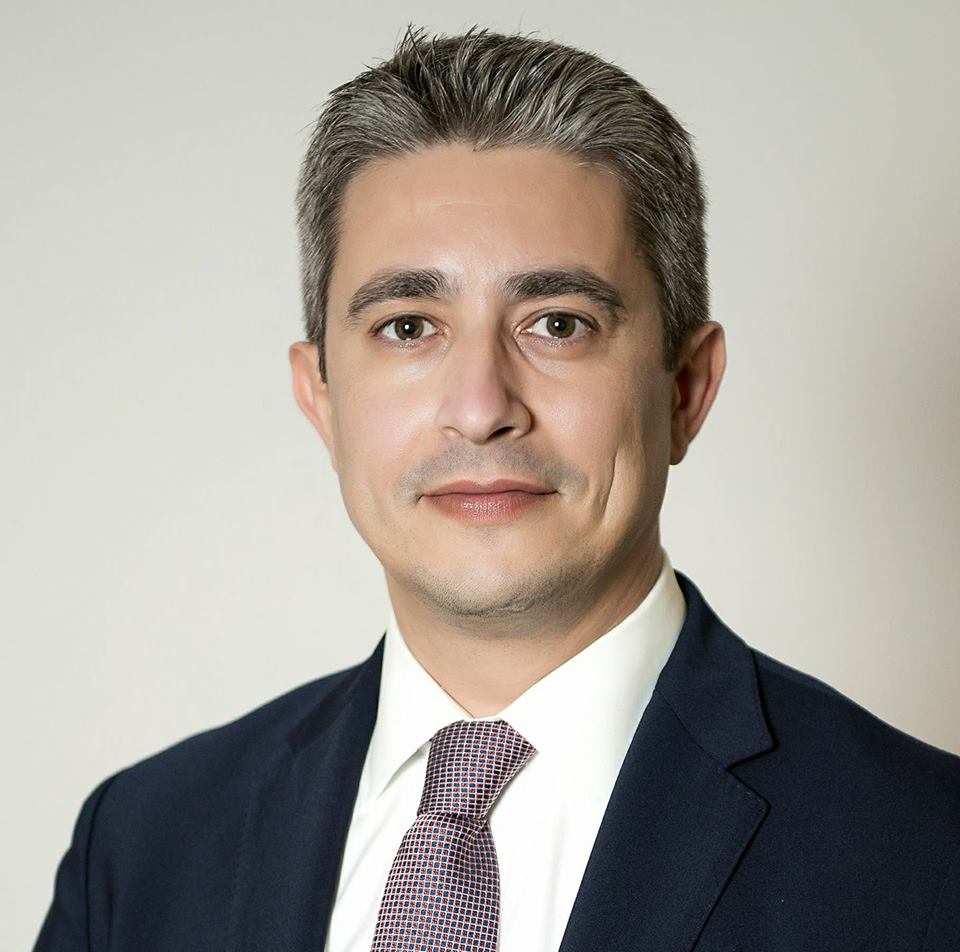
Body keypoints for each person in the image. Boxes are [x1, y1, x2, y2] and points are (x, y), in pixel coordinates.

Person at [34, 24, 960, 952]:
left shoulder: (927, 852)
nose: (480, 410)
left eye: (558, 323)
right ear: (322, 398)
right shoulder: (139, 849)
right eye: (408, 327)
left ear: (685, 388)